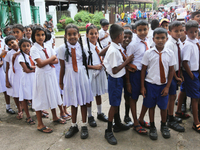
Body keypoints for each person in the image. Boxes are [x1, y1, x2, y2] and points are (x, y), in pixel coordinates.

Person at [58, 24, 93, 139]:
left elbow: (84, 64)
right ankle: (74, 125)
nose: (72, 36)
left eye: (74, 34)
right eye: (69, 34)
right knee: (73, 102)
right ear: (65, 35)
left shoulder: (82, 47)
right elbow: (62, 67)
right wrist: (61, 82)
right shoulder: (62, 49)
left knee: (83, 102)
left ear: (78, 35)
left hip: (81, 76)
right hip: (69, 77)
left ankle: (84, 125)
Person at [141, 27, 175, 140]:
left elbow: (171, 71)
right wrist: (142, 87)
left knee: (163, 107)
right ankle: (152, 126)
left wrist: (167, 87)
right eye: (157, 38)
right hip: (150, 85)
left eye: (163, 38)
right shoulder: (148, 53)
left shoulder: (170, 53)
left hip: (163, 85)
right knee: (151, 106)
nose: (160, 40)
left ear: (167, 38)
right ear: (153, 39)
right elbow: (143, 70)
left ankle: (163, 125)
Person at [30, 26, 66, 133]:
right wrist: (51, 58)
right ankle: (40, 124)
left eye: (42, 34)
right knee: (40, 97)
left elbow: (56, 61)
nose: (41, 37)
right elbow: (40, 64)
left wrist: (48, 60)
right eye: (38, 35)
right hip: (41, 76)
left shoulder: (47, 46)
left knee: (53, 94)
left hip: (50, 74)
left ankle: (55, 116)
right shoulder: (34, 48)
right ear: (33, 36)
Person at [103, 24, 134, 145]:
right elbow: (115, 70)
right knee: (114, 105)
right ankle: (108, 130)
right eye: (123, 35)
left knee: (117, 103)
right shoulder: (114, 51)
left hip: (118, 79)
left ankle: (117, 124)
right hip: (115, 80)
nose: (124, 38)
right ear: (119, 36)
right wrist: (127, 62)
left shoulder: (116, 47)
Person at [126, 20, 150, 134]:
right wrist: (128, 82)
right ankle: (135, 122)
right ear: (135, 31)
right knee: (134, 98)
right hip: (135, 74)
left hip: (147, 74)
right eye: (140, 30)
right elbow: (127, 62)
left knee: (147, 96)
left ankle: (141, 118)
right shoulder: (133, 45)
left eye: (145, 29)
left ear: (148, 29)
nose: (143, 32)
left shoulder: (149, 41)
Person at [84, 25, 108, 127]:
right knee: (90, 95)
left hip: (100, 72)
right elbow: (83, 65)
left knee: (98, 93)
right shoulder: (85, 48)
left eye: (96, 33)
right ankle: (89, 116)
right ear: (87, 35)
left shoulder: (99, 45)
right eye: (91, 33)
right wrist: (95, 67)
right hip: (91, 73)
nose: (94, 35)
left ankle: (99, 113)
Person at [165, 21, 185, 132]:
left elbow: (178, 60)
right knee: (171, 97)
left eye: (181, 30)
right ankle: (170, 119)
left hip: (176, 73)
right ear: (170, 32)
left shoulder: (178, 43)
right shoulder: (170, 44)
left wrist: (180, 74)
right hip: (170, 74)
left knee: (173, 97)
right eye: (176, 31)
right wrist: (175, 77)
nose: (179, 33)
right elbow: (170, 63)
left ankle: (171, 116)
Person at [181, 20, 200, 133]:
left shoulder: (195, 42)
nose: (194, 34)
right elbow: (185, 62)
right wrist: (192, 75)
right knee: (195, 97)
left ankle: (178, 111)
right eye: (191, 32)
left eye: (196, 31)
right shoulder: (188, 45)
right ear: (186, 32)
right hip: (191, 73)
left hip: (195, 72)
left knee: (184, 91)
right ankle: (196, 122)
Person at [5, 35, 23, 119]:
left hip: (23, 73)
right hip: (13, 75)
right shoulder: (9, 54)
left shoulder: (23, 49)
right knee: (15, 93)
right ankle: (19, 110)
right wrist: (7, 80)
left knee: (24, 91)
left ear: (16, 40)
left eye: (12, 42)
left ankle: (25, 107)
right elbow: (8, 67)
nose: (11, 45)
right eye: (9, 44)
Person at [18, 39, 35, 125]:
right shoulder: (21, 57)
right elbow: (26, 70)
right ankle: (28, 116)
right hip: (26, 80)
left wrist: (34, 68)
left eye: (28, 45)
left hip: (32, 78)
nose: (26, 48)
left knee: (33, 96)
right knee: (25, 97)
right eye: (23, 46)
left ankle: (38, 111)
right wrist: (37, 68)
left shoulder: (31, 55)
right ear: (20, 47)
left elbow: (30, 68)